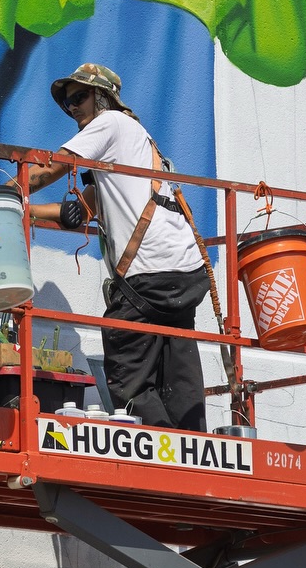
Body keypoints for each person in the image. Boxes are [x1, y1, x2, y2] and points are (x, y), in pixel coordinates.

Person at [26, 62, 211, 430]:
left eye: (80, 97)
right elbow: (81, 210)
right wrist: (27, 211)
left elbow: (47, 170)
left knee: (127, 367)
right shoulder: (131, 141)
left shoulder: (110, 124)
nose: (73, 107)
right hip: (182, 272)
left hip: (150, 272)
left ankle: (161, 449)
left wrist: (10, 189)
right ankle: (192, 447)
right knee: (177, 373)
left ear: (104, 97)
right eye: (67, 103)